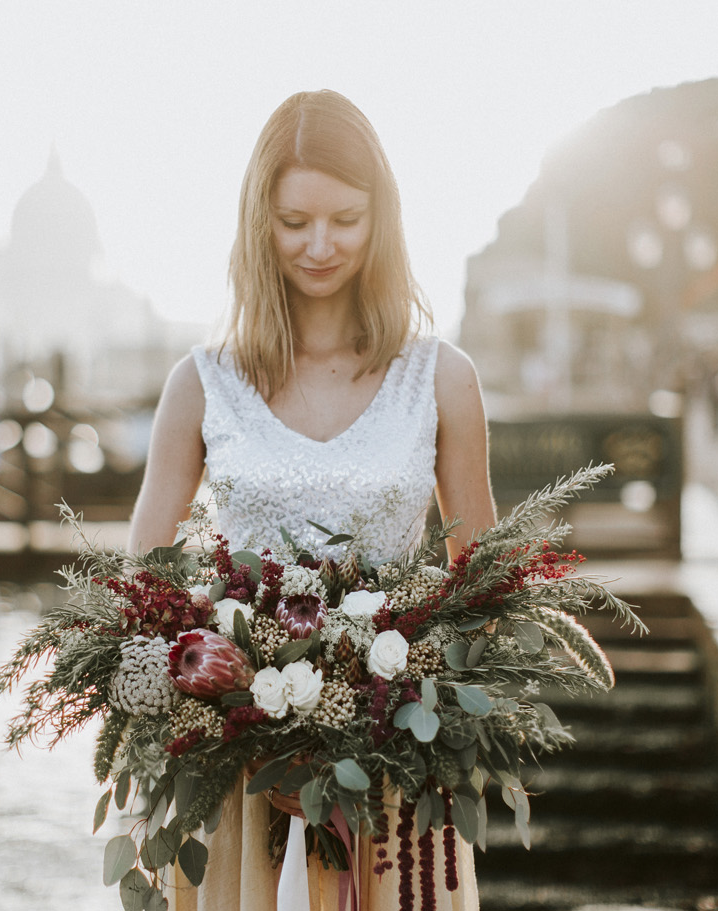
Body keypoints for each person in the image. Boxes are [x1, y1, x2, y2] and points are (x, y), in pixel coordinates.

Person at [127, 89, 495, 911]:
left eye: (345, 219)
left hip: (391, 788)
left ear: (382, 219)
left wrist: (375, 728)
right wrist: (249, 727)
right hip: (237, 781)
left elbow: (481, 594)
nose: (320, 245)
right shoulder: (200, 384)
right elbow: (141, 591)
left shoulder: (443, 380)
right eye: (294, 222)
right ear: (260, 221)